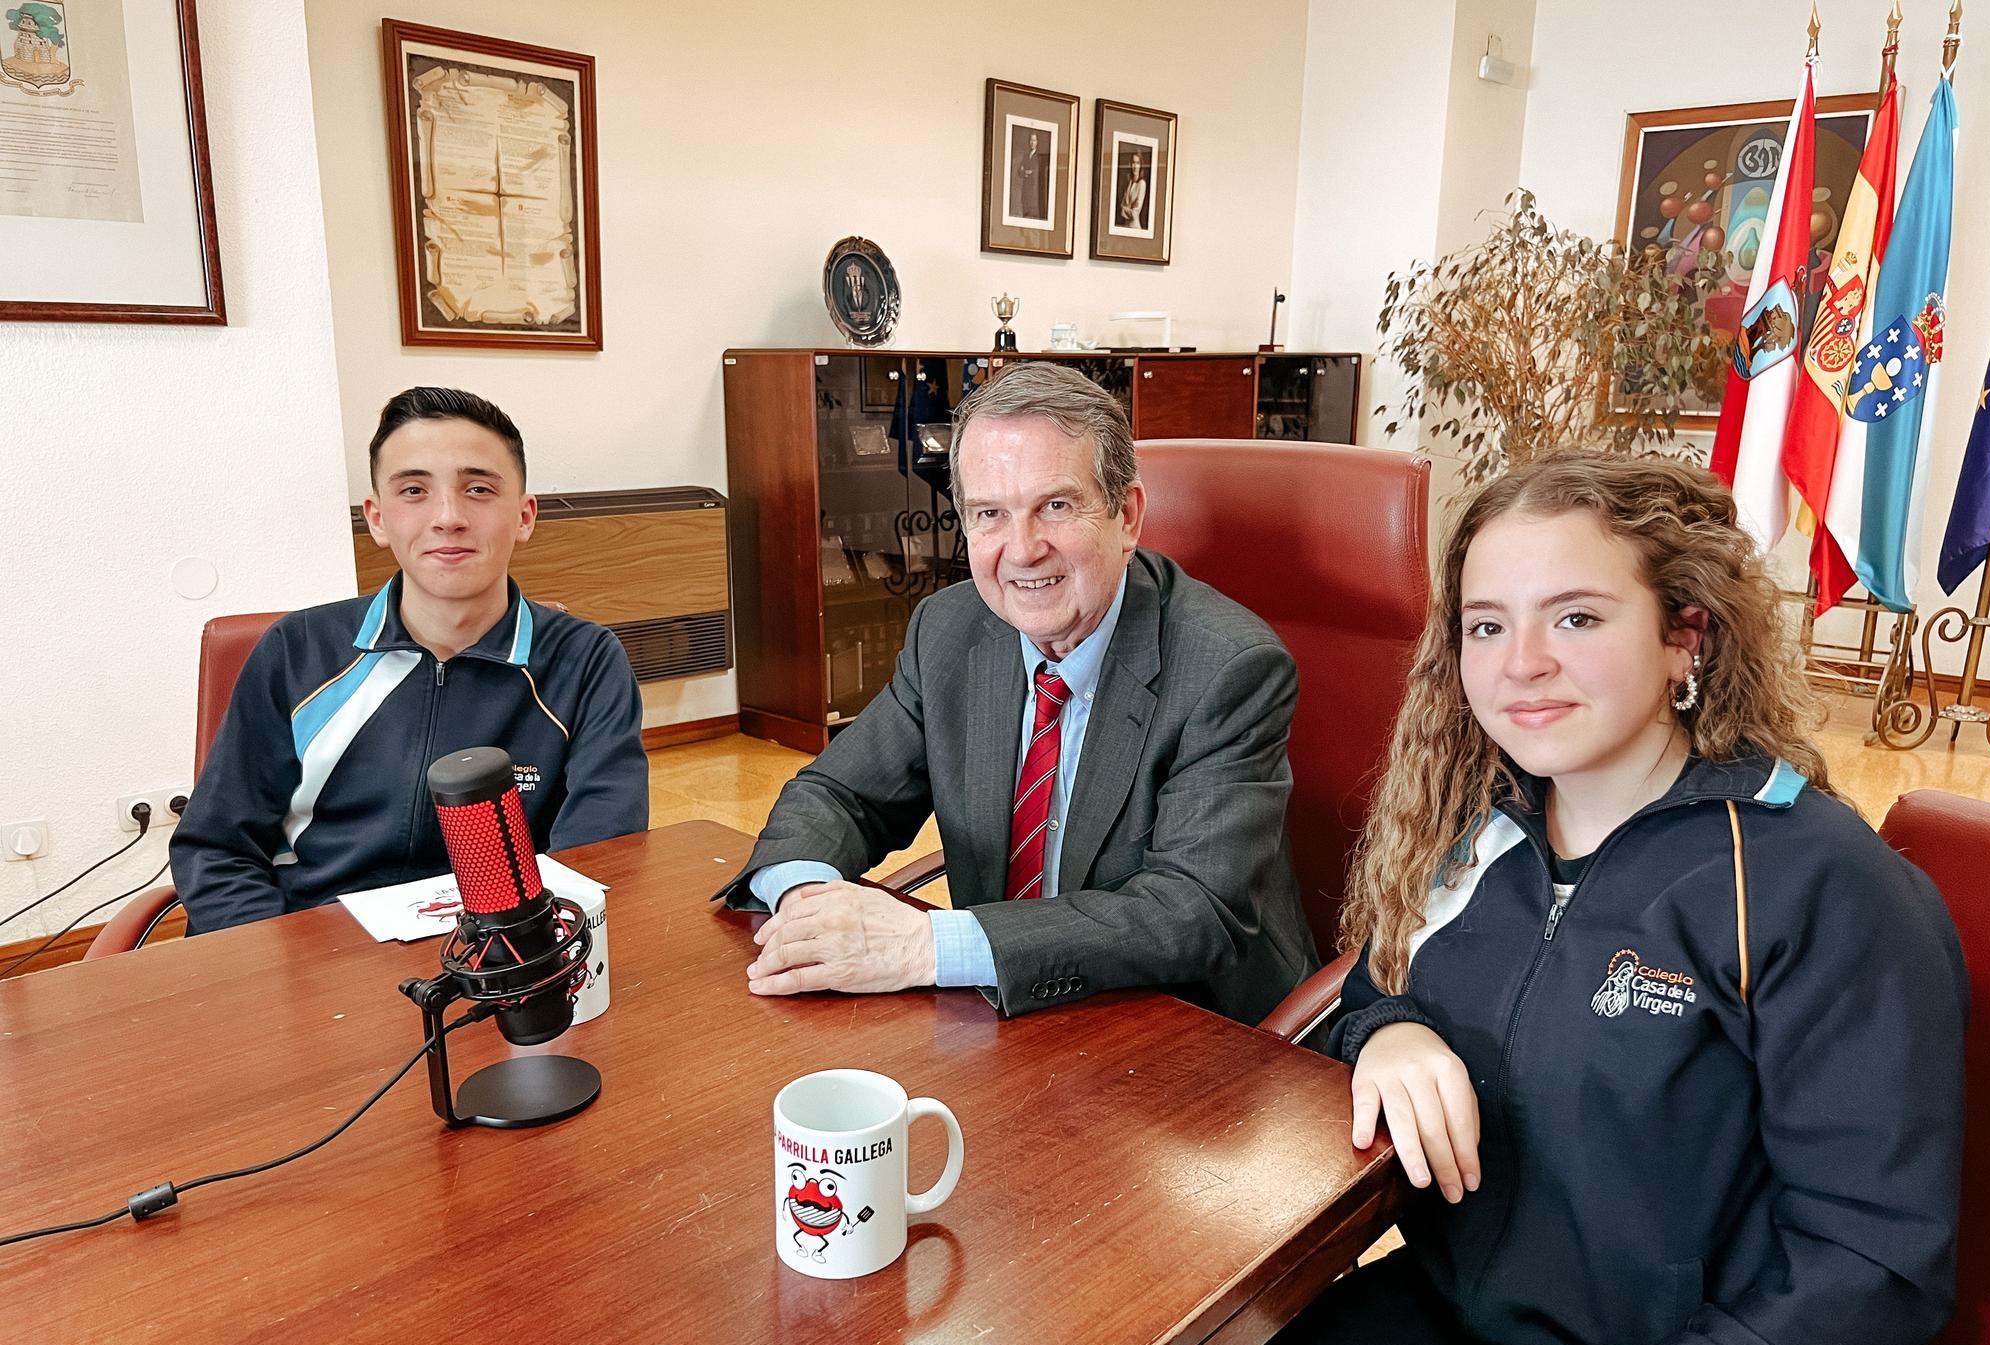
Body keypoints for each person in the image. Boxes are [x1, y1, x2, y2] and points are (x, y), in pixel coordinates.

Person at [1105, 452, 1966, 1345]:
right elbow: (1382, 976)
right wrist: (1390, 1028)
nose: (1518, 665)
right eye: (1484, 625)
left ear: (1682, 636)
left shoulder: (1823, 889)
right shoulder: (1479, 828)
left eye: (1575, 619)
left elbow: (1871, 1266)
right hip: (1469, 1338)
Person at [716, 361, 1316, 1023]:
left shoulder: (1227, 667)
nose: (1022, 549)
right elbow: (839, 793)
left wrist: (928, 944)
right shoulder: (950, 631)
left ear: (1127, 517)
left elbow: (1194, 913)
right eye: (990, 514)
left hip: (1190, 1032)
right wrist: (807, 901)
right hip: (1010, 1023)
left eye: (1055, 506)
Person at [171, 387, 649, 933]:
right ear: (377, 519)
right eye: (415, 490)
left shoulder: (586, 660)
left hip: (499, 953)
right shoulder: (296, 650)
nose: (448, 517)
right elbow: (216, 849)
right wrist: (281, 974)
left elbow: (601, 856)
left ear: (524, 515)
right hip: (311, 950)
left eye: (477, 489)